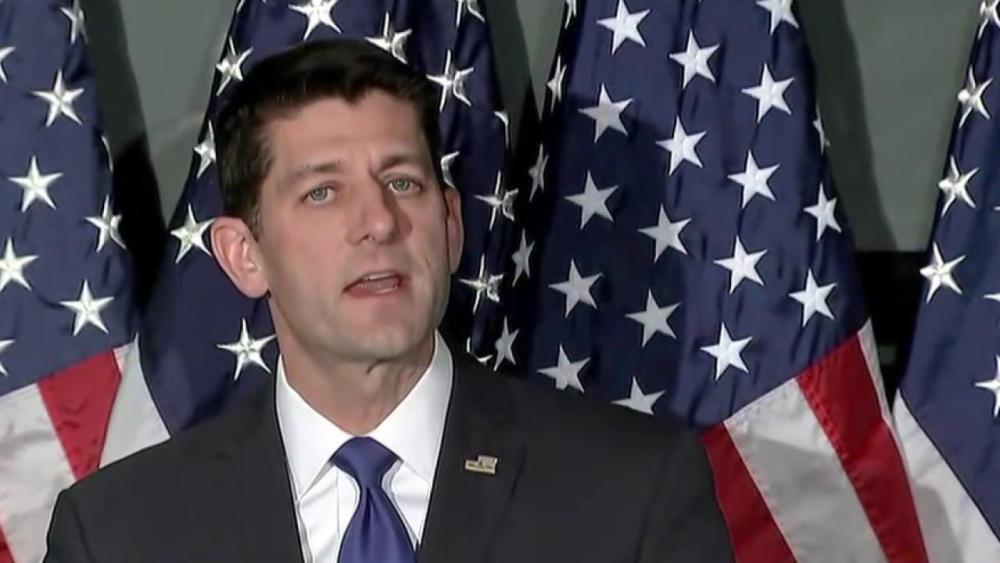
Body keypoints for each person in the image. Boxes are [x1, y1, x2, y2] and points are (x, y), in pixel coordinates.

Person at [44, 39, 733, 563]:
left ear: (451, 224)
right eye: (322, 192)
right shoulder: (118, 534)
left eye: (402, 183)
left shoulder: (633, 495)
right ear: (244, 255)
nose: (378, 222)